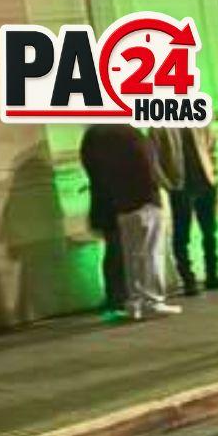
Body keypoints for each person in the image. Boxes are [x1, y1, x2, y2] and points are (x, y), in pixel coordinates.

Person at [79, 124, 179, 321]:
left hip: (119, 205)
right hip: (143, 201)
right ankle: (152, 300)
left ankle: (135, 302)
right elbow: (148, 165)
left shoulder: (94, 136)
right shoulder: (128, 134)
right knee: (150, 253)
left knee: (132, 255)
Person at [152, 125, 218, 296]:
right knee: (181, 235)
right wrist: (168, 185)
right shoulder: (160, 127)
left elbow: (211, 147)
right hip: (180, 187)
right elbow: (153, 160)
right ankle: (188, 280)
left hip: (205, 184)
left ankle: (212, 275)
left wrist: (214, 175)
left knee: (210, 231)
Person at [80, 126, 126, 314]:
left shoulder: (94, 137)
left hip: (109, 204)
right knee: (116, 250)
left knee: (115, 250)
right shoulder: (101, 137)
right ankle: (117, 295)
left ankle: (117, 294)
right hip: (113, 204)